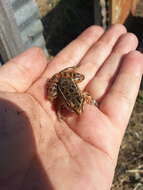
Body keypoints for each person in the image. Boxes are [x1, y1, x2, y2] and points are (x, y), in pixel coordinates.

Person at [0, 24, 142, 190]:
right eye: (75, 109)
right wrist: (59, 113)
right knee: (51, 96)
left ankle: (65, 73)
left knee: (80, 77)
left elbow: (85, 97)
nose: (77, 111)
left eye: (78, 107)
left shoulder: (81, 98)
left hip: (69, 83)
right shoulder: (65, 103)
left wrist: (86, 100)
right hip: (61, 84)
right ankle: (59, 76)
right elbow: (59, 104)